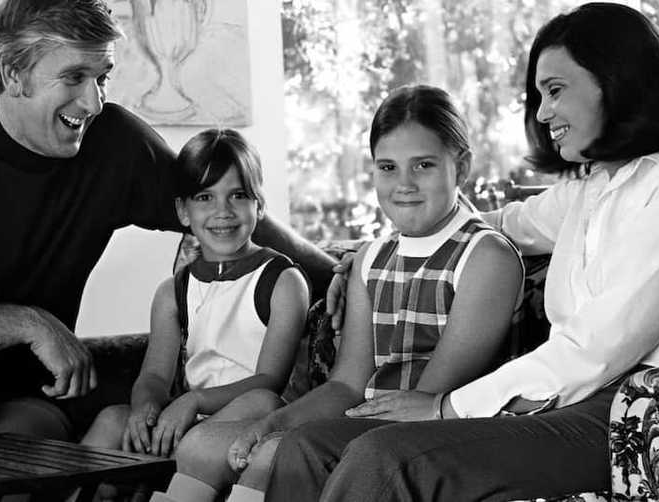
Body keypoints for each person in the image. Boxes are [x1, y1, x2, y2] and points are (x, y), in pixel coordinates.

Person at [0, 0, 335, 451]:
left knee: (35, 431)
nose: (92, 102)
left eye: (102, 77)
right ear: (11, 72)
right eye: (73, 77)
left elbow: (223, 206)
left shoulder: (112, 142)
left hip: (21, 400)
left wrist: (342, 274)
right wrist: (31, 324)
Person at [272, 2, 659, 501]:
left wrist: (447, 407)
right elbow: (489, 225)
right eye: (540, 95)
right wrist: (374, 252)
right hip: (571, 402)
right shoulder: (597, 187)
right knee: (308, 446)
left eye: (555, 91)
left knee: (386, 457)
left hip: (636, 416)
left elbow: (595, 349)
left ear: (617, 81)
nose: (542, 113)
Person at [156, 85, 523, 502]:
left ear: (462, 165)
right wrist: (272, 422)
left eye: (423, 165)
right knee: (238, 443)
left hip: (438, 430)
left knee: (279, 452)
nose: (403, 184)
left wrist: (284, 434)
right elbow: (347, 384)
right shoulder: (371, 258)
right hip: (371, 419)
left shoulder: (485, 256)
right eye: (387, 167)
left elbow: (427, 400)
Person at [81, 128, 309, 470]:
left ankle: (178, 467)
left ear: (259, 205)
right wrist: (146, 408)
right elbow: (154, 377)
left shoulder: (282, 281)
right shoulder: (172, 292)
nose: (223, 211)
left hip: (250, 419)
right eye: (205, 197)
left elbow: (270, 381)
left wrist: (195, 400)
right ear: (183, 211)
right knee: (112, 419)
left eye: (238, 195)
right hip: (192, 415)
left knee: (261, 401)